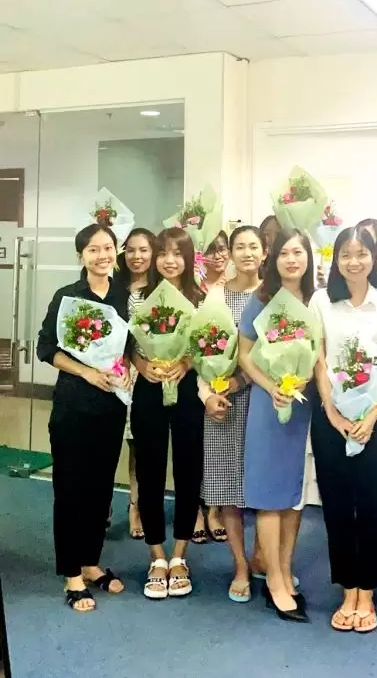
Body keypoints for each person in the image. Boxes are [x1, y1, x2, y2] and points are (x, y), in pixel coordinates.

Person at [311, 227, 377, 633]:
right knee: (337, 504)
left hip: (374, 418)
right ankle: (348, 588)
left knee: (373, 504)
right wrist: (332, 411)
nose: (354, 261)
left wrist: (373, 413)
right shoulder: (321, 301)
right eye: (346, 254)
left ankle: (368, 590)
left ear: (373, 258)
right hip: (330, 416)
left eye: (362, 253)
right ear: (336, 260)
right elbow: (319, 359)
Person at [39, 224, 132, 612]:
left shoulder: (125, 296)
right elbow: (46, 348)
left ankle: (91, 563)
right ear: (81, 256)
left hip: (111, 407)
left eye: (108, 248)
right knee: (71, 488)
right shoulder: (68, 297)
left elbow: (132, 347)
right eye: (93, 249)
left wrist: (128, 371)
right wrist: (86, 372)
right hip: (73, 405)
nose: (102, 255)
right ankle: (72, 573)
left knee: (100, 488)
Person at [238, 229, 317, 622]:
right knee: (270, 492)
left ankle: (284, 569)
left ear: (308, 258)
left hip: (304, 405)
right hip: (268, 404)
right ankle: (273, 580)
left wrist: (303, 380)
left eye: (298, 252)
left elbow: (322, 353)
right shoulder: (261, 299)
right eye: (284, 253)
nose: (291, 259)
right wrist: (273, 387)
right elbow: (245, 354)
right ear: (274, 259)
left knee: (294, 495)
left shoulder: (317, 300)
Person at [130, 228, 206, 601]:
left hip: (187, 389)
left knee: (189, 470)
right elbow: (129, 344)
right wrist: (141, 364)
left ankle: (179, 556)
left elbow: (209, 343)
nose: (169, 260)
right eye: (163, 253)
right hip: (149, 388)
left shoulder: (201, 298)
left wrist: (187, 362)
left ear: (189, 258)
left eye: (177, 253)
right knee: (150, 471)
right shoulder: (139, 297)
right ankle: (157, 556)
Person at [199, 226, 264, 603]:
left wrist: (243, 380)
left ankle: (262, 556)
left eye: (254, 246)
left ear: (264, 252)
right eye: (240, 246)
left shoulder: (274, 296)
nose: (247, 253)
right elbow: (199, 349)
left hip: (265, 400)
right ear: (230, 253)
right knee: (227, 489)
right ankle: (240, 564)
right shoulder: (215, 295)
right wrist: (208, 395)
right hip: (222, 403)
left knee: (265, 487)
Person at [113, 227, 155, 541]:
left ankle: (138, 504)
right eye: (130, 250)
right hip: (118, 371)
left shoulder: (161, 289)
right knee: (115, 441)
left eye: (143, 250)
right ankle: (112, 502)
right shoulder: (115, 288)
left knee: (142, 444)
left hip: (151, 372)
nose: (136, 256)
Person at [194, 229, 232, 544]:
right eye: (211, 249)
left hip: (222, 375)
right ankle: (195, 510)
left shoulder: (234, 286)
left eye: (223, 248)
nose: (218, 255)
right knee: (192, 447)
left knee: (217, 447)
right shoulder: (192, 286)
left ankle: (214, 508)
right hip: (189, 372)